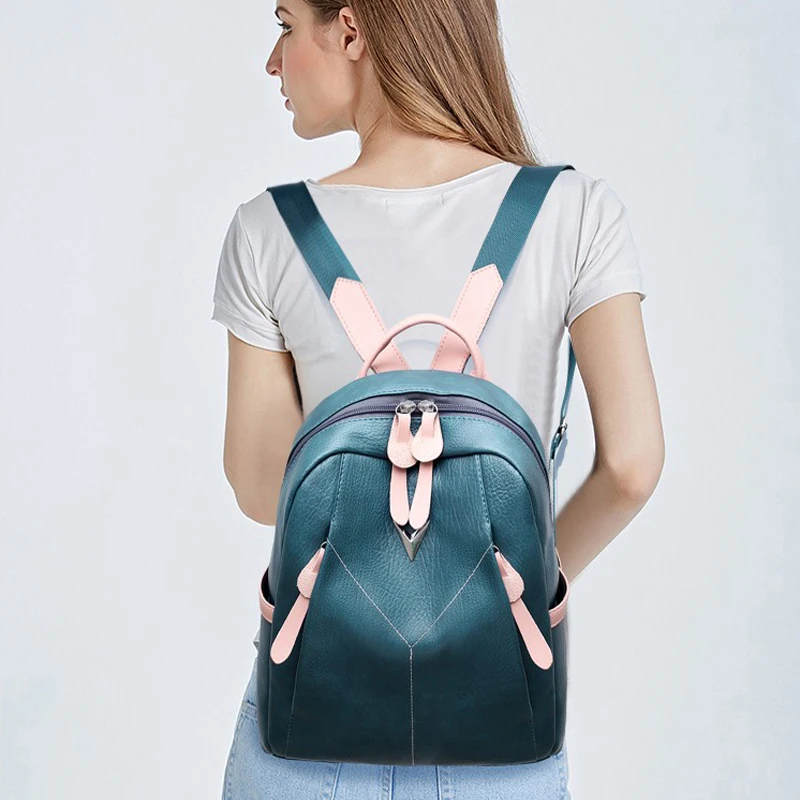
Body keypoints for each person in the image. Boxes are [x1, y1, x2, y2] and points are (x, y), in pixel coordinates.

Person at [210, 0, 665, 797]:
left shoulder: (267, 231)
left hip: (313, 713)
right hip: (500, 720)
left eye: (285, 25)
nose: (273, 62)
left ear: (350, 29)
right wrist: (506, 587)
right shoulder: (576, 212)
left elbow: (260, 489)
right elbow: (631, 467)